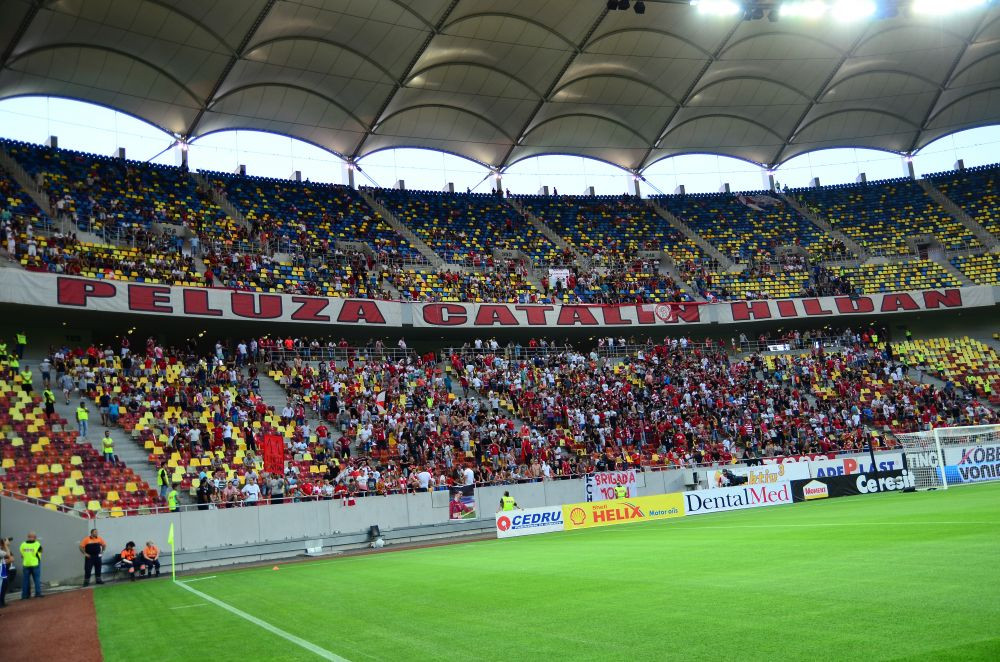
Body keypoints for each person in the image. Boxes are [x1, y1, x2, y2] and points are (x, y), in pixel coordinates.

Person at [19, 531, 42, 599]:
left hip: (26, 564)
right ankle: (38, 594)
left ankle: (25, 596)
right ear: (35, 537)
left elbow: (22, 554)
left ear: (28, 537)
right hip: (35, 564)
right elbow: (40, 553)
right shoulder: (37, 544)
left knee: (25, 580)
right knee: (37, 580)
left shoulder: (23, 544)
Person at [0, 537, 11, 607]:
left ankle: (2, 602)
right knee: (2, 586)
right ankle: (1, 603)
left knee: (5, 584)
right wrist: (6, 546)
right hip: (1, 569)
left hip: (2, 568)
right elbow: (8, 555)